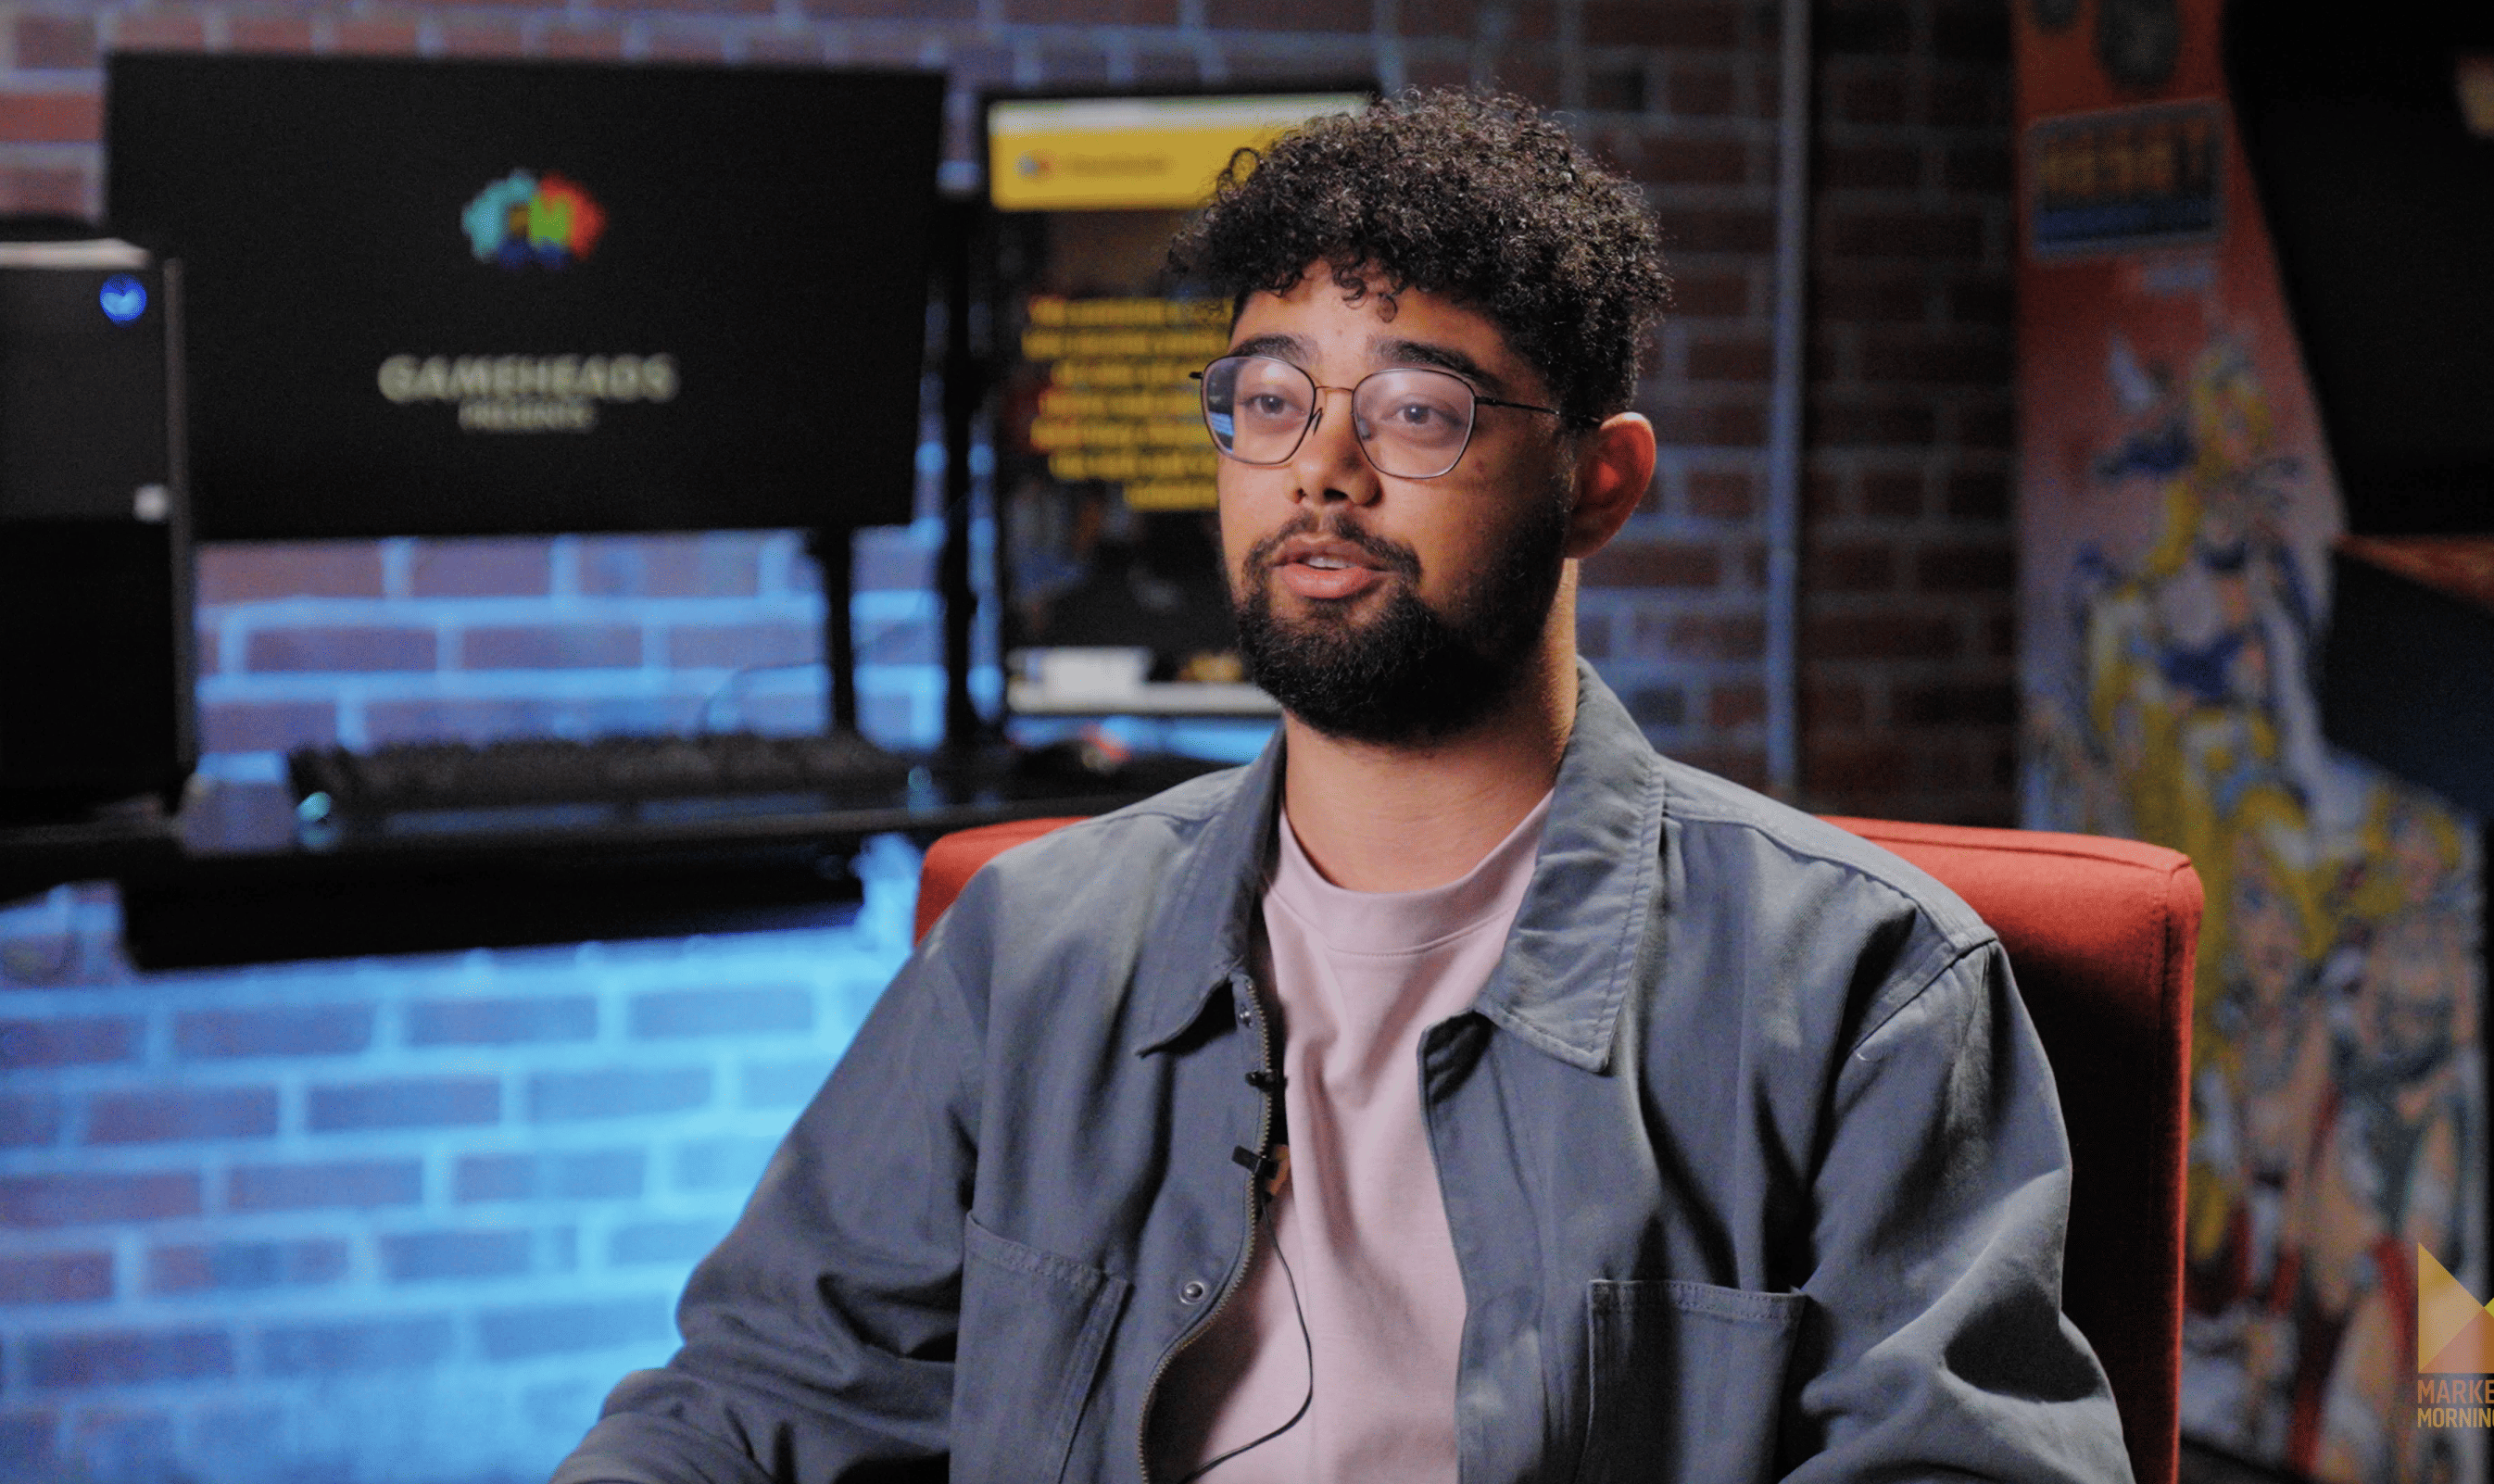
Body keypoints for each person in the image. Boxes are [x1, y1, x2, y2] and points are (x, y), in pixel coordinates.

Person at [553, 91, 2134, 1484]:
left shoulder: (1860, 983)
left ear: (1600, 482)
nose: (1321, 466)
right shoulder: (1034, 947)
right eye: (1268, 397)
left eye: (1417, 410)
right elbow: (752, 1405)